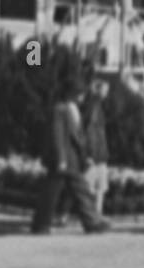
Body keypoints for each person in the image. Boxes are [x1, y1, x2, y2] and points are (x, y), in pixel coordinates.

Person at [32, 81, 111, 235]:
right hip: (64, 159)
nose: (82, 96)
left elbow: (78, 135)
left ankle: (90, 222)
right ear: (72, 94)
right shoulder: (59, 110)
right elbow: (57, 135)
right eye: (80, 93)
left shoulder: (73, 109)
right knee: (53, 193)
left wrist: (85, 156)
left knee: (75, 191)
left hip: (73, 158)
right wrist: (61, 158)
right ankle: (42, 224)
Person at [80, 77, 111, 217]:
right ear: (97, 89)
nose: (107, 93)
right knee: (91, 188)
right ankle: (92, 216)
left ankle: (96, 216)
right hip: (96, 155)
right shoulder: (93, 107)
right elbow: (89, 131)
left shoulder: (97, 106)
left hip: (99, 154)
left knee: (97, 189)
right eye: (105, 89)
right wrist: (89, 154)